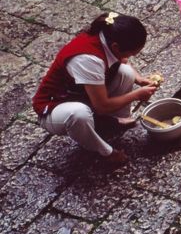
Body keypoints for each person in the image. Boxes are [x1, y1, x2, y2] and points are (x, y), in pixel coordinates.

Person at [32, 12, 158, 165]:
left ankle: (113, 121)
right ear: (116, 47)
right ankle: (104, 151)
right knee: (78, 114)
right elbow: (102, 105)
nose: (130, 56)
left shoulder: (109, 34)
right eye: (131, 52)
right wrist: (137, 95)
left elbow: (123, 60)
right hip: (54, 107)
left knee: (127, 72)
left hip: (82, 94)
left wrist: (138, 79)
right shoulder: (89, 59)